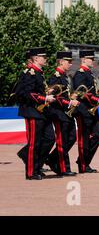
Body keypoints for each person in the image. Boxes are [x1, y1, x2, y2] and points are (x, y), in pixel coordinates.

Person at [15, 47, 56, 180]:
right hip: (32, 111)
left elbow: (36, 90)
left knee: (50, 138)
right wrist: (44, 98)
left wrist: (47, 93)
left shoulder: (39, 73)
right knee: (35, 142)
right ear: (36, 59)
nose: (45, 59)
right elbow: (27, 93)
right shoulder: (30, 73)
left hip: (42, 111)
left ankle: (32, 161)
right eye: (43, 57)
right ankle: (32, 171)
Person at [46, 51, 80, 176]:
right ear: (61, 61)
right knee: (62, 140)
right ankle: (63, 168)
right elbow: (54, 96)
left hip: (66, 112)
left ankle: (52, 158)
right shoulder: (56, 76)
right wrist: (70, 102)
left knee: (71, 138)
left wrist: (71, 98)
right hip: (58, 112)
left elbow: (63, 94)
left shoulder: (64, 76)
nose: (70, 64)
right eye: (68, 62)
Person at [72, 50, 99, 173]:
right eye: (90, 59)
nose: (93, 61)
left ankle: (84, 160)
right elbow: (82, 92)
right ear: (84, 59)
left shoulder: (89, 74)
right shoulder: (80, 74)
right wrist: (96, 99)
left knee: (98, 134)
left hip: (92, 110)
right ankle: (83, 163)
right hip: (83, 110)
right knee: (83, 138)